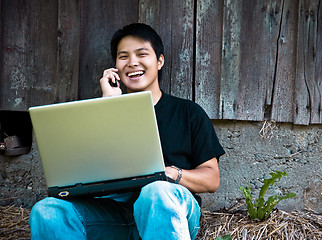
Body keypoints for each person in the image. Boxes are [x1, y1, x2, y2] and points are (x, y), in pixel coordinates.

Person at [29, 23, 225, 240]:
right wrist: (108, 107)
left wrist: (172, 174)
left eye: (142, 54)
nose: (132, 63)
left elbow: (211, 179)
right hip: (112, 216)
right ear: (115, 66)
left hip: (169, 208)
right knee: (47, 210)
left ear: (159, 61)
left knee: (156, 192)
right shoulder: (91, 116)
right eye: (123, 57)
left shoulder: (188, 113)